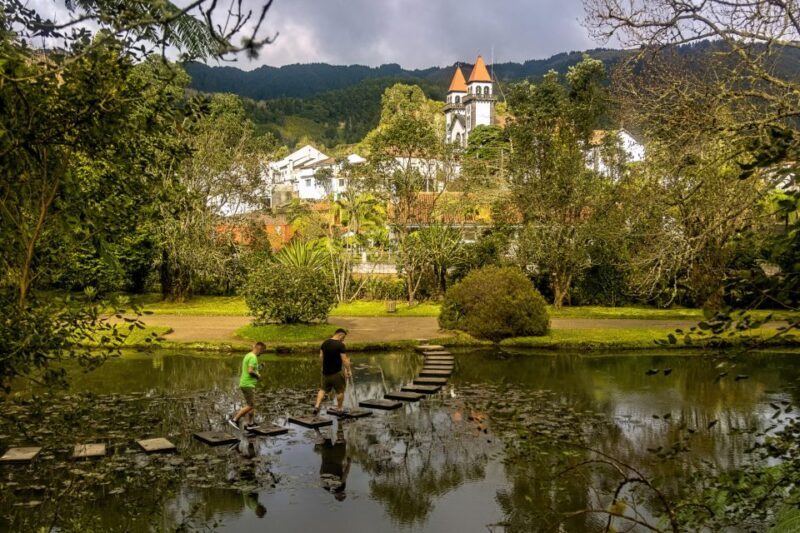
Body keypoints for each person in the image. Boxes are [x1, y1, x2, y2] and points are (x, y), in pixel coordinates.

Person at [313, 329, 351, 415]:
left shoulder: (325, 343)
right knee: (340, 391)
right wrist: (348, 370)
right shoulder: (340, 345)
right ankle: (340, 408)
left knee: (322, 390)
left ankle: (317, 406)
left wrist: (322, 367)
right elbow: (344, 360)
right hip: (336, 372)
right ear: (340, 335)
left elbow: (321, 356)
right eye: (343, 337)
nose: (343, 339)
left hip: (325, 372)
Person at [229, 342, 266, 430]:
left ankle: (250, 424)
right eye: (263, 351)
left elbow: (253, 369)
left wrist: (260, 367)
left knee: (252, 404)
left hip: (246, 384)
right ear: (259, 349)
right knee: (250, 405)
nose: (262, 353)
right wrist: (258, 376)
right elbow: (250, 371)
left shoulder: (248, 355)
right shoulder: (253, 357)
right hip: (248, 384)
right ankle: (234, 420)